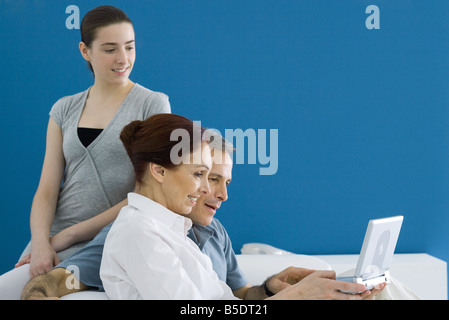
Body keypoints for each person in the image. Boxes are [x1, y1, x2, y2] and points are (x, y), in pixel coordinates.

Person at [19, 131, 380, 300]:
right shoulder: (136, 233)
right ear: (161, 172)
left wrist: (275, 288)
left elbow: (230, 301)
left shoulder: (190, 233)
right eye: (203, 176)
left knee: (380, 291)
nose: (219, 194)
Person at [0, 5, 170, 297]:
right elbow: (46, 190)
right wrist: (41, 242)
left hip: (109, 239)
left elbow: (148, 195)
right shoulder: (64, 108)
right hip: (52, 239)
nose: (123, 59)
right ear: (85, 51)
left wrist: (67, 237)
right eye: (109, 49)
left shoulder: (152, 105)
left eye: (129, 47)